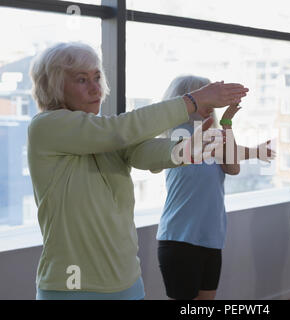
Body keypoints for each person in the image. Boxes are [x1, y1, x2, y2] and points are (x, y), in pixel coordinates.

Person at [27, 42, 248, 300]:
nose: (95, 88)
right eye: (81, 79)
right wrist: (192, 100)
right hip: (72, 287)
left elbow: (143, 152)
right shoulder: (46, 127)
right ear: (53, 86)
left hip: (127, 282)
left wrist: (187, 150)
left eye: (97, 77)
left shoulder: (105, 135)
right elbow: (121, 130)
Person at [156, 75, 275, 300]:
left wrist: (227, 123)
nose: (211, 103)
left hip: (211, 238)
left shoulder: (215, 136)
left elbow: (232, 167)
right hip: (179, 239)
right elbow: (217, 150)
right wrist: (253, 151)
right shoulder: (177, 133)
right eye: (206, 97)